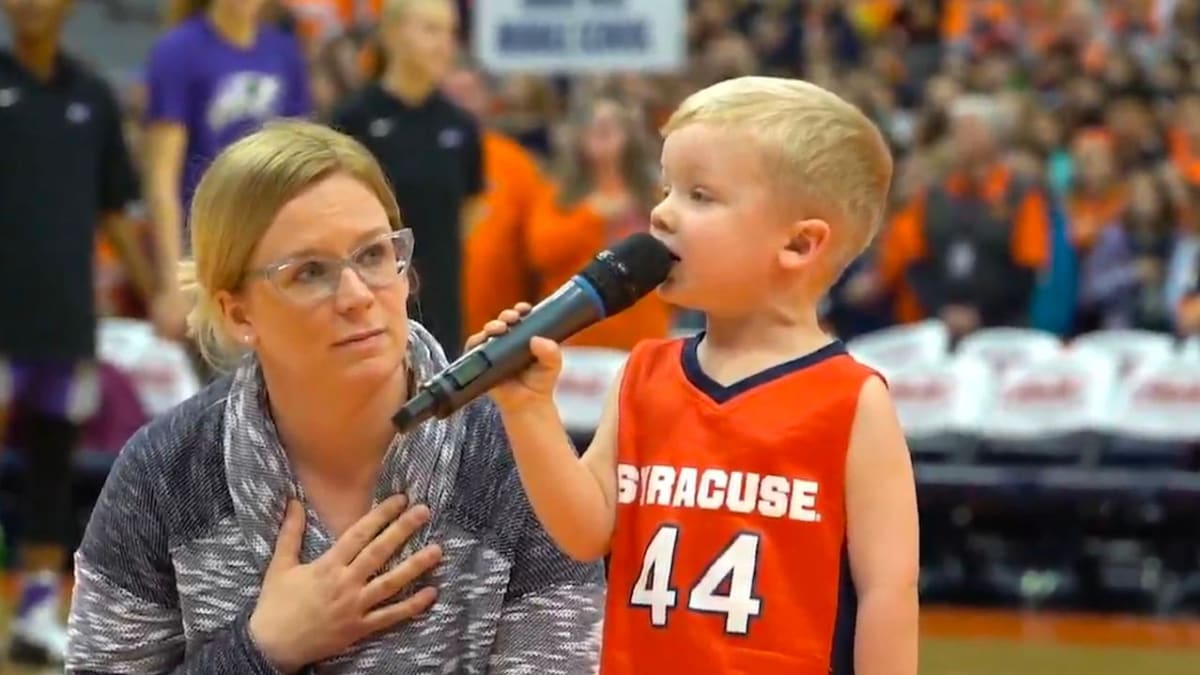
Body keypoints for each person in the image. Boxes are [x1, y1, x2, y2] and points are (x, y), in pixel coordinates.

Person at [65, 121, 604, 673]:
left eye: (372, 255)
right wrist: (261, 649)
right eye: (309, 272)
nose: (355, 296)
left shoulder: (515, 458)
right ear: (238, 314)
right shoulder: (164, 475)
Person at [473, 76, 919, 674]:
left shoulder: (852, 401)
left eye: (700, 196)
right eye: (666, 189)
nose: (661, 212)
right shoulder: (644, 372)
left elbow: (889, 594)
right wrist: (527, 411)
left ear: (799, 244)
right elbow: (585, 531)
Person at [0, 0, 158, 665]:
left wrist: (157, 294)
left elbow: (115, 209)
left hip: (63, 317)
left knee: (50, 466)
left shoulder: (92, 95)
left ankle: (36, 612)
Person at [144, 0, 312, 341]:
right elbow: (161, 179)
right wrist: (172, 283)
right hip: (209, 245)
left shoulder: (284, 52)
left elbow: (301, 161)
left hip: (273, 241)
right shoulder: (178, 51)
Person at [332, 0, 482, 356]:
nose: (444, 43)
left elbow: (469, 212)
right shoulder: (354, 120)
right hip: (367, 300)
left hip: (443, 305)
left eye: (450, 32)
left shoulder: (461, 126)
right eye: (430, 30)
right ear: (392, 34)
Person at [524, 96, 672, 351]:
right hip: (574, 338)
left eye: (612, 124)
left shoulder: (654, 193)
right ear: (577, 136)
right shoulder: (557, 193)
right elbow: (541, 253)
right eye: (593, 125)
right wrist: (593, 216)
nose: (602, 131)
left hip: (643, 337)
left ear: (629, 135)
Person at [441, 59, 548, 338]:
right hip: (430, 320)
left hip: (500, 329)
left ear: (488, 100)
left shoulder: (515, 163)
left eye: (468, 94)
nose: (458, 105)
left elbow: (538, 251)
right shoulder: (418, 159)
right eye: (450, 95)